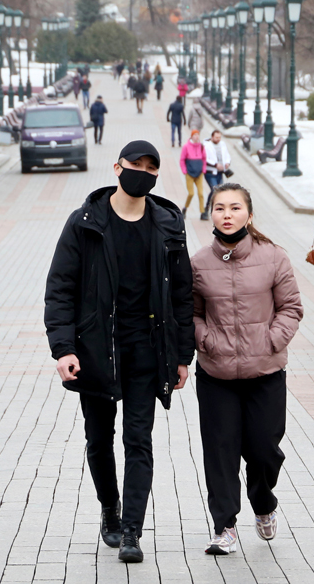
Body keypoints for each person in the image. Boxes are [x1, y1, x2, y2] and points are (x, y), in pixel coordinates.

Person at [44, 140, 194, 564]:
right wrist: (63, 348)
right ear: (117, 167)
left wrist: (183, 355)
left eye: (152, 167)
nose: (143, 172)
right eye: (136, 165)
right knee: (98, 440)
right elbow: (60, 289)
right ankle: (109, 509)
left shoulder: (168, 224)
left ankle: (131, 529)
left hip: (147, 351)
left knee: (139, 441)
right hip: (96, 351)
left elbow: (183, 295)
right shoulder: (86, 222)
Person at [191, 182, 303, 555]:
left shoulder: (274, 257)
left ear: (249, 215)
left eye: (235, 208)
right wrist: (205, 340)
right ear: (212, 214)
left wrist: (272, 341)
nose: (227, 214)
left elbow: (291, 307)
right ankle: (224, 526)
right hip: (216, 374)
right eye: (220, 208)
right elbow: (189, 313)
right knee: (220, 451)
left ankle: (264, 502)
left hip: (265, 372)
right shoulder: (198, 263)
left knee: (264, 450)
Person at [178, 130, 207, 220]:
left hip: (199, 173)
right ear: (191, 136)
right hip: (190, 173)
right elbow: (182, 159)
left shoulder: (201, 146)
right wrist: (184, 170)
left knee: (201, 193)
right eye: (195, 135)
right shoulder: (186, 147)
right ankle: (185, 208)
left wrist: (203, 169)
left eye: (198, 135)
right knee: (191, 193)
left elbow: (204, 159)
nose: (196, 137)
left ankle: (202, 212)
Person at [202, 130, 230, 215]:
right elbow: (205, 158)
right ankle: (207, 208)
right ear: (212, 137)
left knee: (221, 191)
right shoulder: (207, 146)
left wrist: (227, 162)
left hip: (220, 172)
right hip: (210, 172)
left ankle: (217, 209)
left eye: (219, 137)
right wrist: (215, 164)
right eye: (216, 137)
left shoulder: (222, 144)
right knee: (214, 190)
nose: (218, 139)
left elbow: (227, 155)